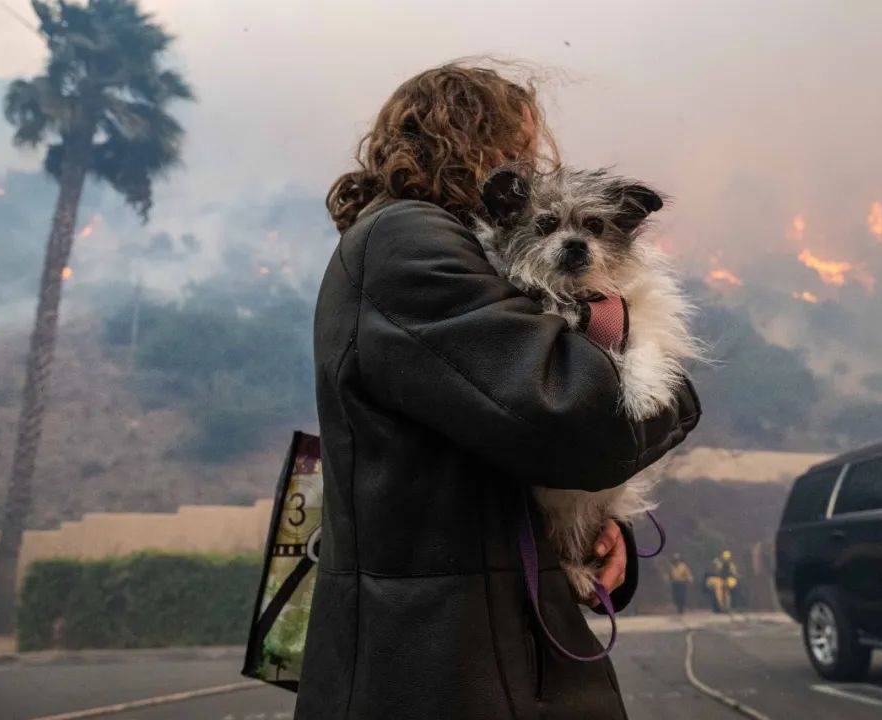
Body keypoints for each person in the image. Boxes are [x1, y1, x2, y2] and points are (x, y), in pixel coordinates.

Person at [295, 61, 701, 720]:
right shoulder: (409, 241)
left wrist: (591, 533)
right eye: (522, 145)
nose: (533, 164)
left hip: (466, 643)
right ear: (476, 140)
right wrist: (673, 389)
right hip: (449, 664)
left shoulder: (435, 248)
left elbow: (503, 433)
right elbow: (578, 420)